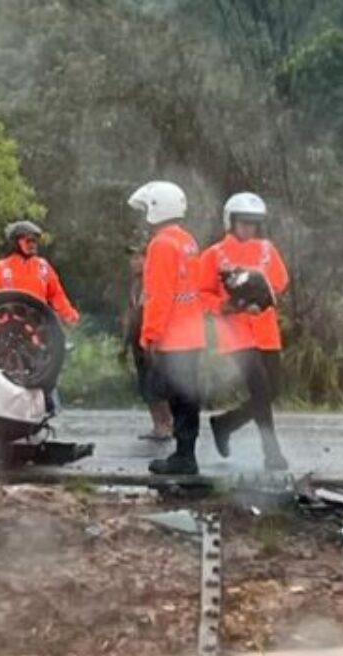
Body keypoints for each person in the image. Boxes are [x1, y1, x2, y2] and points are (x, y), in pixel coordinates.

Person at [199, 192, 290, 471]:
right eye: (243, 222)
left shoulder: (266, 249)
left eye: (253, 223)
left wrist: (260, 294)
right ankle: (271, 452)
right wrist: (225, 306)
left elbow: (280, 281)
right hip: (236, 335)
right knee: (260, 388)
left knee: (272, 390)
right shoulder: (214, 255)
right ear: (231, 221)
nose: (248, 228)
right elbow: (201, 294)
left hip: (266, 330)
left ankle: (225, 423)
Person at [127, 181, 205, 476]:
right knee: (187, 397)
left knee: (177, 397)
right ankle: (185, 453)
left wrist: (150, 335)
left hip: (173, 337)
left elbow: (158, 295)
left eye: (146, 209)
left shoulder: (160, 245)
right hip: (192, 333)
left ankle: (184, 458)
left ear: (157, 209)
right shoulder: (187, 241)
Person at [119, 243, 173, 441]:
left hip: (150, 338)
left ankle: (167, 423)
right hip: (136, 338)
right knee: (144, 384)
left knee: (156, 383)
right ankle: (157, 424)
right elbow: (130, 314)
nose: (134, 262)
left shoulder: (153, 281)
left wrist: (155, 338)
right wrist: (123, 344)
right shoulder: (134, 284)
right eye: (132, 258)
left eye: (139, 258)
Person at [0, 220, 82, 326]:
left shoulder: (43, 267)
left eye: (34, 241)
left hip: (38, 324)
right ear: (16, 242)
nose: (32, 245)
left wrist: (69, 315)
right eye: (28, 241)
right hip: (10, 324)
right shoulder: (1, 268)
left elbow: (57, 295)